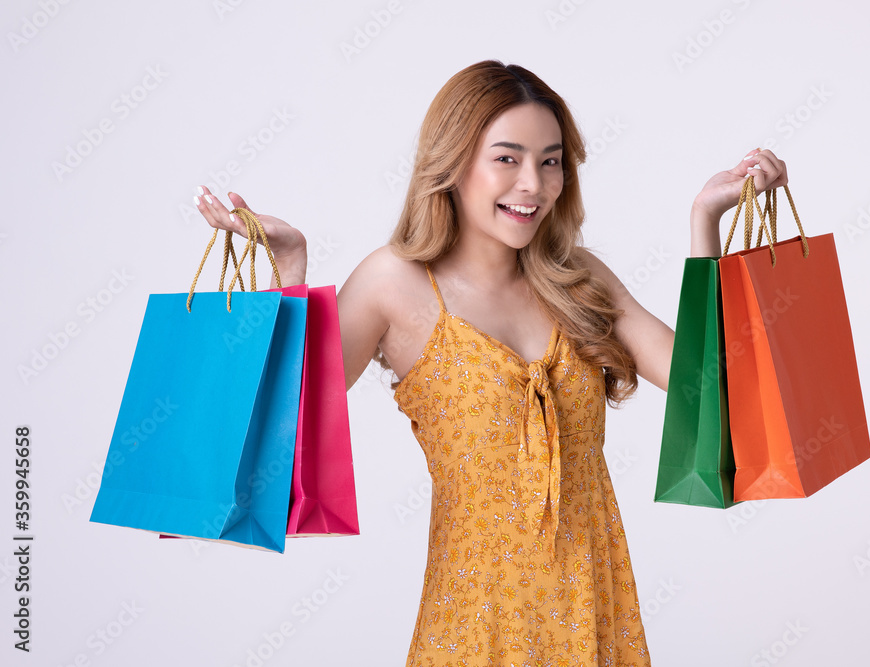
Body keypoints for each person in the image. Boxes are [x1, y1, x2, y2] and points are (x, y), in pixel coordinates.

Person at [194, 60, 787, 666]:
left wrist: (704, 221)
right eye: (507, 158)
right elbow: (288, 423)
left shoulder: (580, 281)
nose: (533, 183)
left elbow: (709, 384)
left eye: (550, 160)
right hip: (474, 626)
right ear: (452, 164)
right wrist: (289, 271)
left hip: (594, 609)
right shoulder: (392, 283)